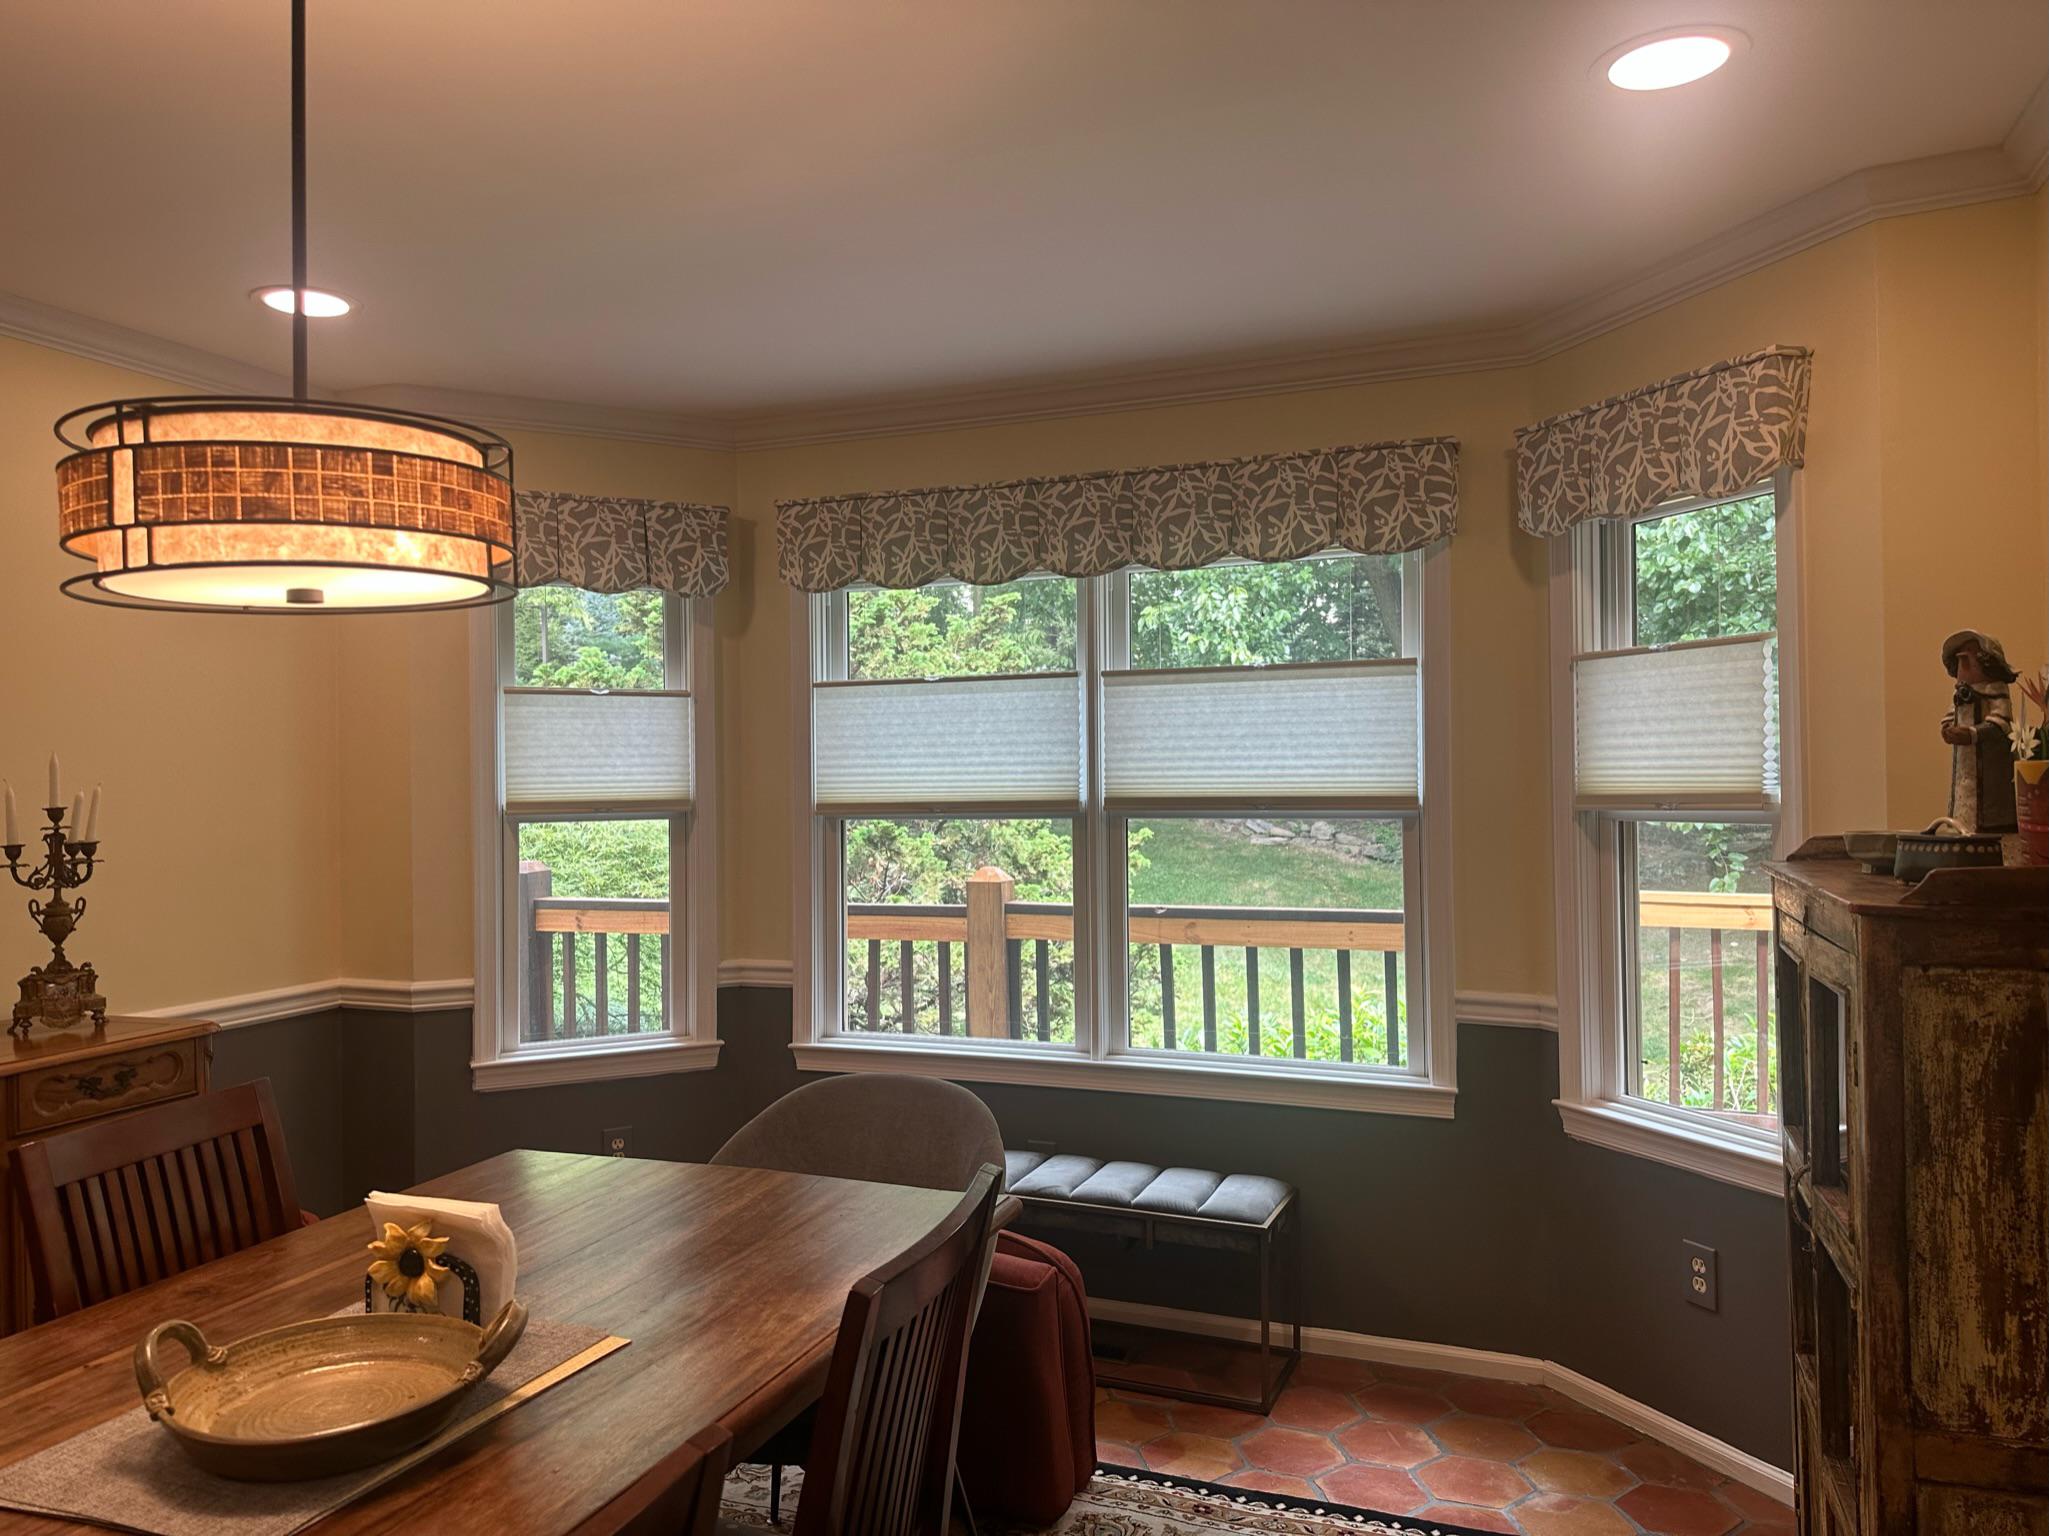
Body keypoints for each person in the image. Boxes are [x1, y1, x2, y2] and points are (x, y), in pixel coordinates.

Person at [1940, 629, 2018, 834]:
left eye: (1969, 657)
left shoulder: (1995, 690)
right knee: (1963, 794)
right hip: (1965, 764)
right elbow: (1951, 714)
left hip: (1990, 766)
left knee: (1990, 802)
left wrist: (1973, 734)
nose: (1963, 664)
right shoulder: (1961, 693)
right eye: (1959, 660)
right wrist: (1947, 729)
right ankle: (1961, 822)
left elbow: (2000, 723)